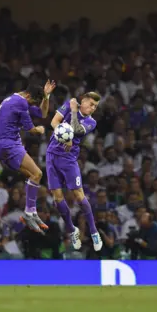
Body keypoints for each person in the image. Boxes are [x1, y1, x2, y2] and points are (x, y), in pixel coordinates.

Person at [0, 81, 56, 233]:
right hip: (10, 144)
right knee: (38, 173)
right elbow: (32, 130)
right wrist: (40, 130)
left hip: (1, 147)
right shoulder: (21, 102)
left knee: (32, 177)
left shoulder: (15, 100)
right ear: (28, 95)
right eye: (33, 101)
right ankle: (29, 213)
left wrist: (46, 96)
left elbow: (43, 113)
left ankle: (31, 212)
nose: (32, 105)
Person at [47, 93, 103, 251]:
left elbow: (77, 128)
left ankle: (93, 231)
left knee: (79, 195)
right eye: (91, 104)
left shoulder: (91, 121)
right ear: (83, 100)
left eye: (95, 107)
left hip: (69, 159)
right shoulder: (68, 104)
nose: (92, 108)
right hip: (52, 155)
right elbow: (54, 121)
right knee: (57, 198)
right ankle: (72, 230)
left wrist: (72, 112)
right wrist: (64, 136)